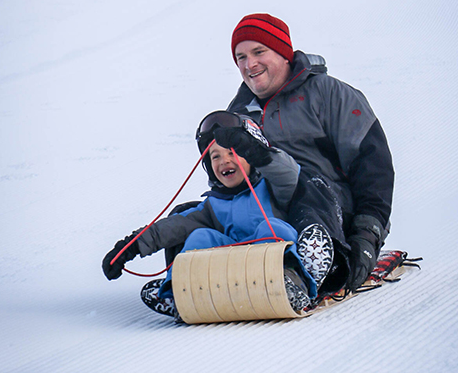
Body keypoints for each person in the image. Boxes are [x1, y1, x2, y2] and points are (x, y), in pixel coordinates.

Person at [102, 111, 331, 319]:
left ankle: (292, 282)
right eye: (215, 157)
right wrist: (129, 247)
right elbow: (171, 228)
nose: (224, 161)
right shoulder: (212, 205)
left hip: (270, 267)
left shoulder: (274, 187)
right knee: (199, 237)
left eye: (233, 153)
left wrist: (256, 152)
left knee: (272, 227)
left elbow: (288, 171)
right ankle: (181, 293)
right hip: (231, 269)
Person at [225, 13, 395, 295]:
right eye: (240, 57)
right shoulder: (238, 112)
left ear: (283, 53)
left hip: (331, 212)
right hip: (268, 216)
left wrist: (367, 235)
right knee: (203, 212)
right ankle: (184, 278)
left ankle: (304, 270)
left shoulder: (329, 94)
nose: (249, 64)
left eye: (258, 52)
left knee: (308, 188)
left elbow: (373, 167)